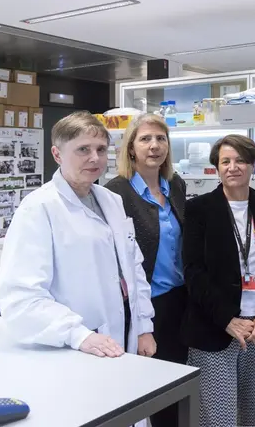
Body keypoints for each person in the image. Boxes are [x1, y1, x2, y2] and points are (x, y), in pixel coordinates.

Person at [0, 111, 156, 359]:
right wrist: (78, 335)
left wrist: (143, 326)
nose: (95, 158)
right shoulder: (38, 209)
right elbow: (21, 298)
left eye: (101, 149)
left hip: (123, 331)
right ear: (57, 154)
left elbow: (133, 268)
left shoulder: (111, 201)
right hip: (73, 345)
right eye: (83, 149)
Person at [181, 134, 255, 426]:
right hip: (215, 329)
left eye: (240, 160)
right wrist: (227, 319)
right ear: (216, 168)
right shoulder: (199, 209)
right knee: (218, 419)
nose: (233, 167)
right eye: (225, 161)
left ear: (253, 165)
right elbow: (193, 271)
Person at [105, 114, 187, 427]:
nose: (154, 146)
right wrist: (140, 323)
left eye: (161, 139)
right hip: (146, 305)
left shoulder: (175, 185)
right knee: (149, 391)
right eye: (145, 139)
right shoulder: (117, 192)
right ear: (131, 148)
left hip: (179, 300)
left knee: (175, 385)